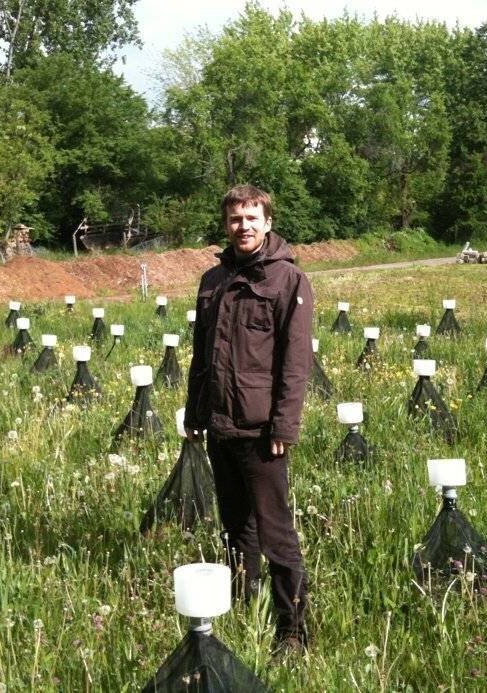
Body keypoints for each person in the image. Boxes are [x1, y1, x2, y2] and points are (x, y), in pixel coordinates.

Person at [184, 184, 314, 654]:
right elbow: (203, 355)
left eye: (252, 218)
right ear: (227, 224)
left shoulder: (288, 281)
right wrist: (196, 411)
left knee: (275, 531)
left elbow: (296, 361)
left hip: (261, 430)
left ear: (267, 223)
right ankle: (245, 601)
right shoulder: (212, 280)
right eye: (236, 219)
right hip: (219, 423)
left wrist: (283, 425)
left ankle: (293, 628)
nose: (244, 226)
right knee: (236, 524)